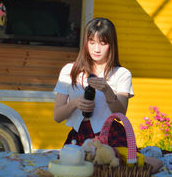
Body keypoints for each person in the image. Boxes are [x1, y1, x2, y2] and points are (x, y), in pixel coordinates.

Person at [54, 17, 134, 147]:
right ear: (85, 43)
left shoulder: (122, 74)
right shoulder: (69, 70)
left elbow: (120, 115)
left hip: (110, 136)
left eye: (103, 43)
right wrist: (75, 103)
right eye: (91, 42)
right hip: (78, 136)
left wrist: (107, 90)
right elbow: (57, 116)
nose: (96, 49)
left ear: (111, 44)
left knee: (112, 167)